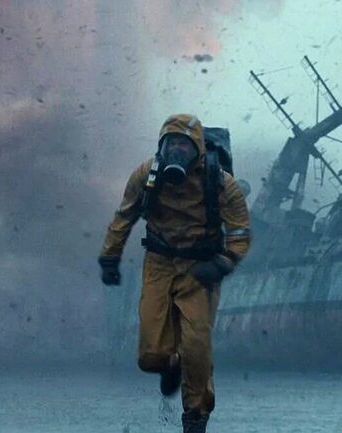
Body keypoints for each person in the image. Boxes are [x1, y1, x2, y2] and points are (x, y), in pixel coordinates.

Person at [98, 114, 251, 433]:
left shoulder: (221, 183)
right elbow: (124, 217)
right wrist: (110, 257)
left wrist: (223, 263)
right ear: (162, 146)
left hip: (200, 268)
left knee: (196, 346)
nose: (177, 151)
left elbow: (239, 232)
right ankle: (170, 365)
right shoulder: (146, 175)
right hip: (159, 263)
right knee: (149, 356)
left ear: (198, 149)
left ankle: (196, 415)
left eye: (184, 144)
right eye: (172, 144)